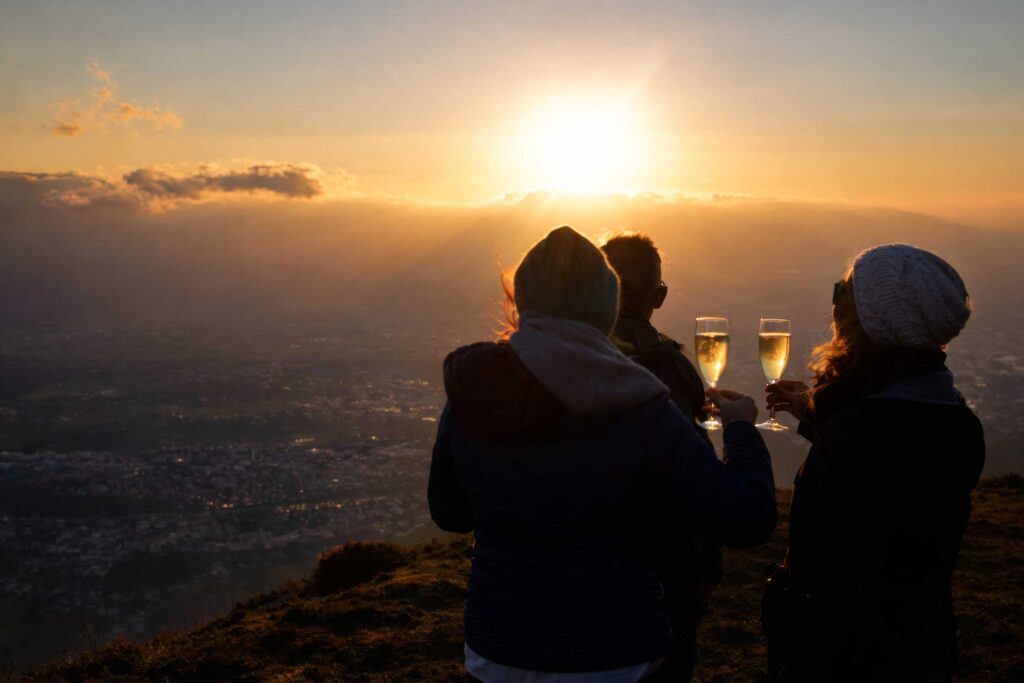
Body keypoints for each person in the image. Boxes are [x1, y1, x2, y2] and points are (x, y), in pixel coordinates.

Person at [428, 225, 777, 682]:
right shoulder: (642, 404)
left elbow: (450, 512)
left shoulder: (473, 395)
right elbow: (747, 517)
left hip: (499, 652)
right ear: (606, 310)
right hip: (620, 653)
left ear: (521, 302)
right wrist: (740, 429)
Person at [762, 244, 985, 682]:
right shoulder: (954, 420)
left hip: (840, 657)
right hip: (921, 646)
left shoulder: (858, 432)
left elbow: (824, 566)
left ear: (868, 317)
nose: (835, 301)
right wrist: (813, 414)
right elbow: (896, 469)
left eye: (843, 291)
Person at [600, 232, 720, 681]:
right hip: (666, 571)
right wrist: (709, 568)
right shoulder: (671, 365)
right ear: (660, 295)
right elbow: (698, 478)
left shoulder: (567, 358)